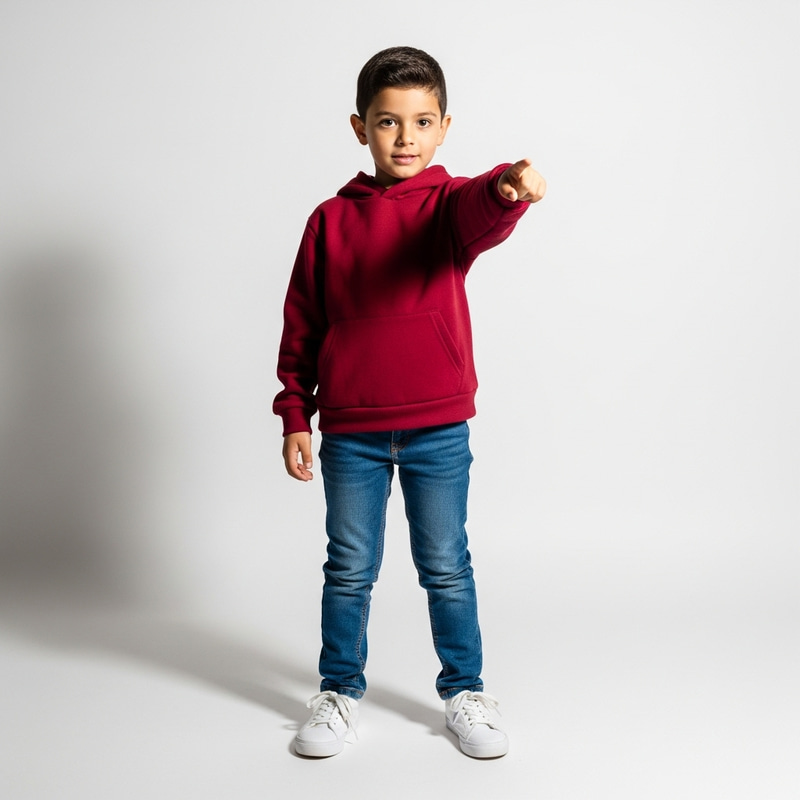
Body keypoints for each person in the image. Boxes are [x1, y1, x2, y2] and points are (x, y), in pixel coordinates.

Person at [273, 45, 546, 759]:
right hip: (354, 434)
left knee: (446, 564)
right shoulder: (329, 221)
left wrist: (508, 187)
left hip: (437, 430)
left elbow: (481, 208)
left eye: (422, 122)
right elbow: (302, 322)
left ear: (444, 128)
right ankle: (338, 694)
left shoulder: (447, 208)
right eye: (389, 122)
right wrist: (294, 413)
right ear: (359, 127)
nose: (405, 138)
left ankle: (465, 692)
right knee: (349, 568)